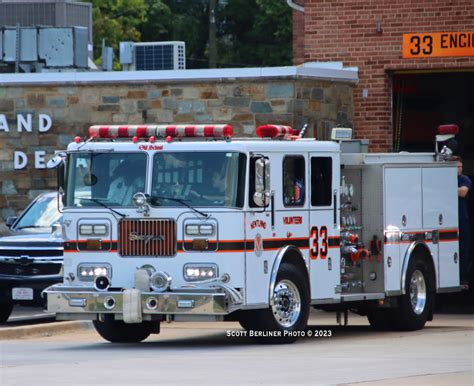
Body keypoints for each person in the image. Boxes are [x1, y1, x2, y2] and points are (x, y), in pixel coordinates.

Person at [452, 156, 472, 283]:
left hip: (461, 219)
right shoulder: (445, 179)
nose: (460, 169)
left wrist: (443, 190)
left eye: (461, 166)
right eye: (457, 166)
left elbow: (463, 192)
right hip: (449, 219)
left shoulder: (464, 179)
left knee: (463, 247)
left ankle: (463, 275)